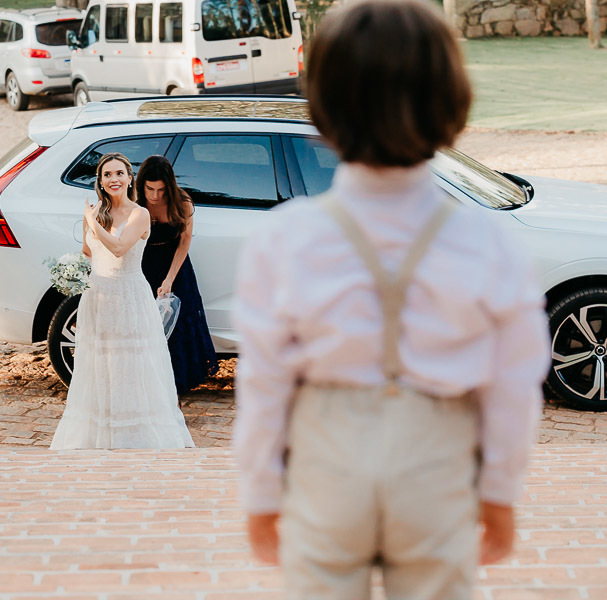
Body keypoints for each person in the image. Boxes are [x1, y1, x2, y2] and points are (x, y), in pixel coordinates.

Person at [232, 1, 551, 598]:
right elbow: (514, 381)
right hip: (436, 457)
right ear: (451, 98)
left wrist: (260, 494)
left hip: (327, 454)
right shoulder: (489, 240)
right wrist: (501, 492)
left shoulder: (285, 237)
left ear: (324, 105)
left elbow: (266, 381)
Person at [50, 153, 194, 450]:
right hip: (98, 297)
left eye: (119, 173)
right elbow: (89, 252)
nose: (113, 179)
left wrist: (90, 220)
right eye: (106, 175)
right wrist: (73, 272)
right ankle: (99, 432)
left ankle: (134, 433)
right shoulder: (97, 211)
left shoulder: (138, 214)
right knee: (99, 363)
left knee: (131, 364)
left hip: (129, 296)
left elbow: (118, 248)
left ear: (130, 178)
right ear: (100, 182)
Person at [136, 155, 219, 394]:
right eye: (150, 188)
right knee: (145, 322)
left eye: (160, 190)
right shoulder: (136, 202)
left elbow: (184, 242)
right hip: (144, 264)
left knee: (178, 324)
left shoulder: (182, 203)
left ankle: (177, 381)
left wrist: (170, 278)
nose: (154, 195)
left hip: (175, 264)